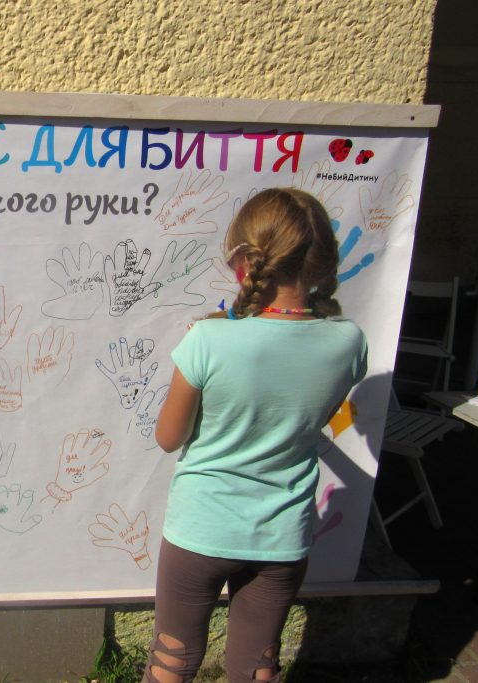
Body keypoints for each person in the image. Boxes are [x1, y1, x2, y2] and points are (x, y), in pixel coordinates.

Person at [145, 188, 368, 683]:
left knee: (171, 660)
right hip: (282, 532)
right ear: (322, 262)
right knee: (257, 665)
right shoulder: (349, 341)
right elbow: (309, 417)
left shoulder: (209, 339)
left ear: (244, 262)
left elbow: (168, 437)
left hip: (202, 528)